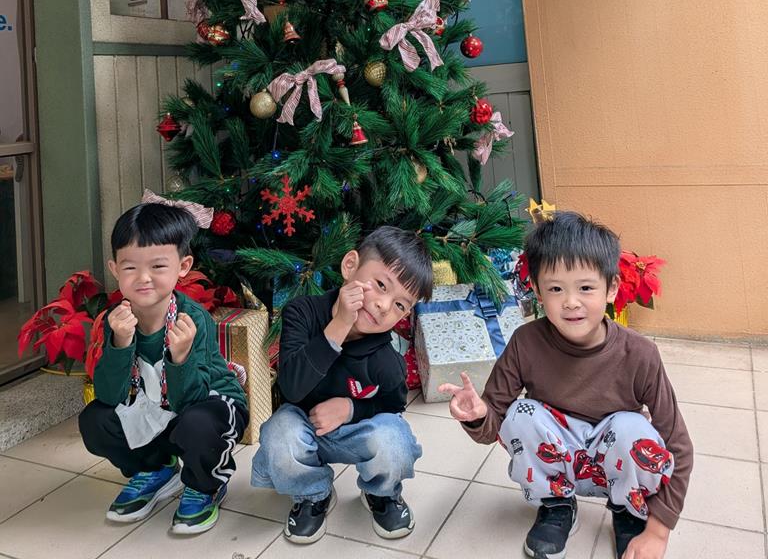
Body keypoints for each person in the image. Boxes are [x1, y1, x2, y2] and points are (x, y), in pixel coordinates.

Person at [439, 212, 693, 559]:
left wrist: (658, 532)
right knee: (520, 413)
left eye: (585, 288)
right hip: (557, 459)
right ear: (538, 291)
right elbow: (494, 422)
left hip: (614, 462)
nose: (571, 302)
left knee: (632, 428)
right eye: (556, 288)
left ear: (611, 288)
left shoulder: (640, 354)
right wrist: (478, 414)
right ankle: (557, 504)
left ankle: (628, 511)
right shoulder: (525, 342)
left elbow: (677, 444)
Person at [251, 226, 432, 545]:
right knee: (278, 433)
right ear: (350, 266)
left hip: (355, 434)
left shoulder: (386, 359)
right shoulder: (302, 313)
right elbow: (291, 388)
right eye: (380, 285)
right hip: (304, 428)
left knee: (395, 438)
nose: (384, 305)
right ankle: (313, 495)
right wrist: (340, 325)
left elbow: (393, 407)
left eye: (400, 305)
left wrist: (351, 409)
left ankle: (382, 494)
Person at [79, 200, 249, 535]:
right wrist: (120, 344)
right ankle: (155, 468)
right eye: (130, 267)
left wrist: (180, 358)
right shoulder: (117, 319)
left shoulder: (191, 319)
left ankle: (205, 484)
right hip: (156, 410)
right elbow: (109, 396)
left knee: (197, 424)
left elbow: (191, 399)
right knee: (95, 420)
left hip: (206, 406)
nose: (143, 278)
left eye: (158, 266)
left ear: (183, 266)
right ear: (114, 269)